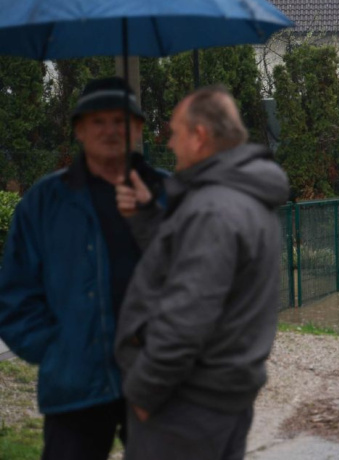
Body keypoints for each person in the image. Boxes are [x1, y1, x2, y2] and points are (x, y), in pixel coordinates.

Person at [114, 85, 289, 460]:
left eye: (176, 133)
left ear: (199, 136)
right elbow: (190, 267)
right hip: (222, 400)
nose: (171, 144)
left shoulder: (212, 208)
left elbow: (187, 316)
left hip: (185, 406)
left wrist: (144, 392)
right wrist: (147, 218)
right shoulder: (245, 196)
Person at [0, 77, 165, 460]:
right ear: (79, 130)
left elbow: (202, 284)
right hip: (74, 385)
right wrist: (57, 349)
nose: (110, 131)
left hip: (157, 379)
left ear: (138, 128)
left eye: (121, 121)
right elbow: (14, 294)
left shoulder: (169, 195)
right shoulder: (44, 202)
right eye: (98, 121)